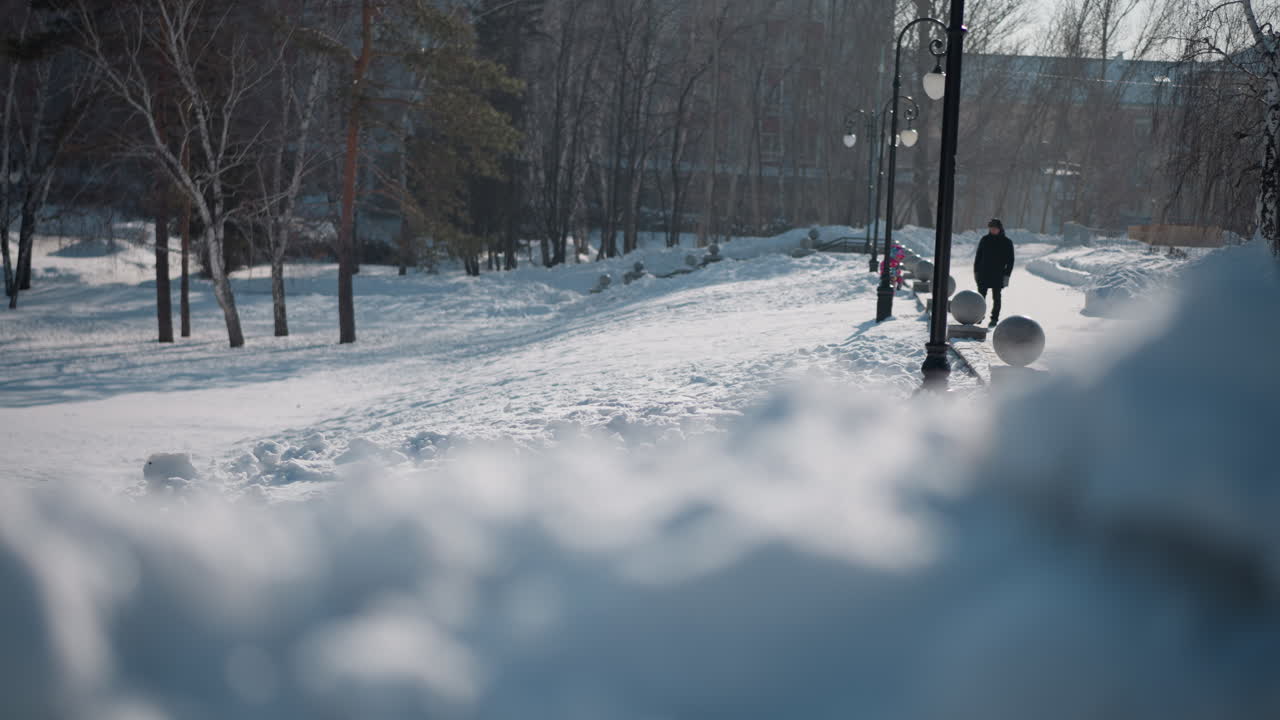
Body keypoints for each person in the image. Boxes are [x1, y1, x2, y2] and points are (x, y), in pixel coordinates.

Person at [974, 218, 1014, 327]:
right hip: (983, 273)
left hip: (998, 274)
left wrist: (1007, 275)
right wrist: (976, 272)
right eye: (991, 228)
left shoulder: (1007, 242)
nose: (993, 230)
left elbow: (1010, 261)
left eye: (995, 228)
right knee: (981, 297)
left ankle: (994, 318)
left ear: (999, 229)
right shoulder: (984, 240)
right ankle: (979, 316)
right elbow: (978, 257)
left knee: (996, 297)